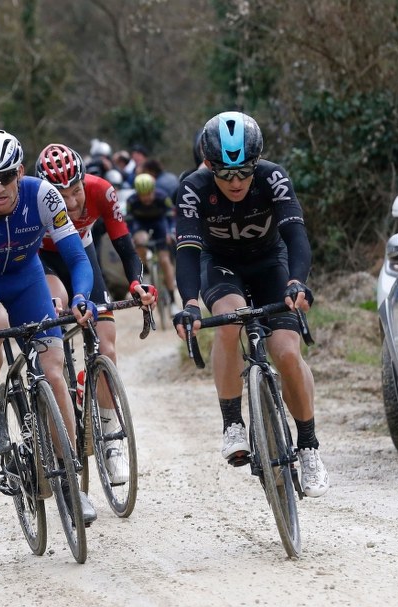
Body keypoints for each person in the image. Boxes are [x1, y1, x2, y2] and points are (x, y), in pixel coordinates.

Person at [0, 129, 99, 524]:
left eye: (5, 177)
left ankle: (70, 485)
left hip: (28, 278)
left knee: (54, 371)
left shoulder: (43, 195)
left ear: (20, 172)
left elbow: (78, 259)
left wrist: (80, 296)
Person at [172, 111, 329, 497]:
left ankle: (308, 445)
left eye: (244, 172)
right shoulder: (193, 188)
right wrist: (190, 303)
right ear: (208, 165)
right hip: (220, 265)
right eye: (225, 174)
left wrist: (297, 282)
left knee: (286, 352)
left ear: (256, 162)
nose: (236, 182)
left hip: (269, 263)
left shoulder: (273, 177)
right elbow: (189, 253)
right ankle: (233, 424)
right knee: (228, 321)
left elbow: (295, 236)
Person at [35, 143, 156, 484]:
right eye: (60, 196)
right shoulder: (33, 201)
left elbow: (123, 243)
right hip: (45, 260)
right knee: (56, 303)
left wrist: (136, 283)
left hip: (83, 257)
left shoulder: (102, 190)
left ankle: (110, 439)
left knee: (107, 346)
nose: (72, 203)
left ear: (84, 181)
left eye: (75, 192)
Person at [125, 173, 179, 312]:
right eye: (143, 195)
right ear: (137, 193)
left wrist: (171, 232)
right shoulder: (132, 201)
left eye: (149, 194)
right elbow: (129, 223)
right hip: (141, 225)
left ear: (154, 190)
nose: (146, 198)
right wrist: (131, 236)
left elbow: (171, 217)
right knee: (140, 241)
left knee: (165, 260)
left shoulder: (162, 197)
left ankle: (172, 301)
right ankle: (146, 269)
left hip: (159, 224)